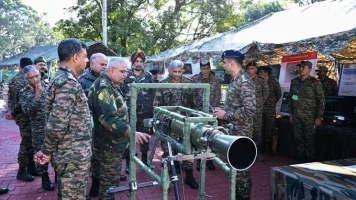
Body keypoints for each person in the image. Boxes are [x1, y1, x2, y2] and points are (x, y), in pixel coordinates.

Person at [33, 38, 92, 199]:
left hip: (68, 153)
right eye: (85, 56)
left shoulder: (61, 78)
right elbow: (57, 124)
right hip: (72, 155)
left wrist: (47, 150)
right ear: (75, 58)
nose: (87, 60)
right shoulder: (67, 82)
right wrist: (46, 150)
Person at [87, 57, 151, 200]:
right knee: (109, 183)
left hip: (107, 142)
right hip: (109, 144)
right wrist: (131, 132)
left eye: (126, 72)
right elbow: (108, 119)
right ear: (112, 70)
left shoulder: (109, 84)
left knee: (103, 177)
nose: (125, 75)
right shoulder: (104, 87)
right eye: (122, 72)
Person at [215, 50, 256, 200]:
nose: (224, 66)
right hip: (234, 133)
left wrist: (225, 115)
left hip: (242, 133)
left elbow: (250, 110)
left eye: (225, 63)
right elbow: (236, 106)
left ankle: (244, 197)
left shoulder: (244, 82)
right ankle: (238, 194)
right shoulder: (235, 80)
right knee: (235, 168)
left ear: (232, 63)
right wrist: (223, 111)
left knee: (241, 170)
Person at [154, 60, 199, 189]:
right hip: (169, 125)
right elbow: (157, 106)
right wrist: (161, 122)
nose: (177, 74)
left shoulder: (190, 84)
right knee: (168, 152)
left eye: (180, 72)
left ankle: (189, 176)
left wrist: (195, 120)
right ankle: (167, 179)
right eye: (175, 71)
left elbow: (195, 105)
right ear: (169, 71)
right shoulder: (162, 85)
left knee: (187, 151)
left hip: (186, 124)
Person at [19, 65, 54, 191]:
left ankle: (59, 179)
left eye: (37, 76)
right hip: (38, 129)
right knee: (41, 154)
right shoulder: (24, 92)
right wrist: (37, 96)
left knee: (56, 154)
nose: (35, 79)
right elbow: (27, 111)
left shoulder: (48, 86)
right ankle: (45, 178)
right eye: (31, 77)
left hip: (53, 127)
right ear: (26, 79)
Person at [122, 49, 154, 173]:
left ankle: (145, 161)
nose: (139, 63)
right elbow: (121, 92)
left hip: (145, 113)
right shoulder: (126, 75)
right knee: (130, 139)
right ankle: (130, 163)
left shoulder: (148, 76)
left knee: (145, 138)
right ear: (132, 62)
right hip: (130, 114)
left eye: (141, 61)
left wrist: (152, 110)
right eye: (137, 61)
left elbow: (152, 94)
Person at [6, 57, 38, 182]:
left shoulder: (16, 78)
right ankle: (22, 170)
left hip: (21, 114)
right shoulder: (24, 80)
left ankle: (31, 167)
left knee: (30, 141)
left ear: (20, 66)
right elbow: (22, 101)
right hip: (24, 115)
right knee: (26, 143)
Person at [288, 60, 325, 163]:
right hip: (296, 115)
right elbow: (291, 98)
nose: (301, 69)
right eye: (300, 67)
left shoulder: (315, 83)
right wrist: (291, 114)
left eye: (303, 67)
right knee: (298, 138)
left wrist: (319, 117)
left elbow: (321, 100)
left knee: (309, 139)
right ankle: (301, 158)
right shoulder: (294, 81)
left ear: (309, 69)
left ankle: (310, 159)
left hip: (309, 116)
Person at [192, 60, 221, 171]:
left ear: (209, 68)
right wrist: (196, 111)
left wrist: (212, 112)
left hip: (210, 113)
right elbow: (193, 96)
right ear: (200, 69)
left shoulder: (216, 80)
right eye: (203, 69)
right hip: (198, 113)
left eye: (207, 68)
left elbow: (217, 97)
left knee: (211, 136)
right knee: (199, 137)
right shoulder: (195, 80)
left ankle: (209, 160)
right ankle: (199, 160)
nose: (205, 71)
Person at [246, 61, 269, 162]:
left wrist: (259, 103)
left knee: (257, 132)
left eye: (252, 68)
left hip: (257, 111)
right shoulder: (243, 80)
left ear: (256, 69)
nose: (250, 71)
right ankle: (247, 152)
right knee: (246, 132)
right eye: (249, 69)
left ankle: (257, 153)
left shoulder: (261, 80)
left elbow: (266, 93)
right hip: (245, 111)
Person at [259, 66, 281, 156]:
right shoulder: (259, 83)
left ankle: (269, 148)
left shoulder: (273, 83)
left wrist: (272, 102)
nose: (260, 73)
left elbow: (278, 94)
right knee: (262, 128)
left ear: (266, 73)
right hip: (261, 109)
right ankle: (262, 147)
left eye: (262, 72)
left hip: (270, 109)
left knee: (270, 128)